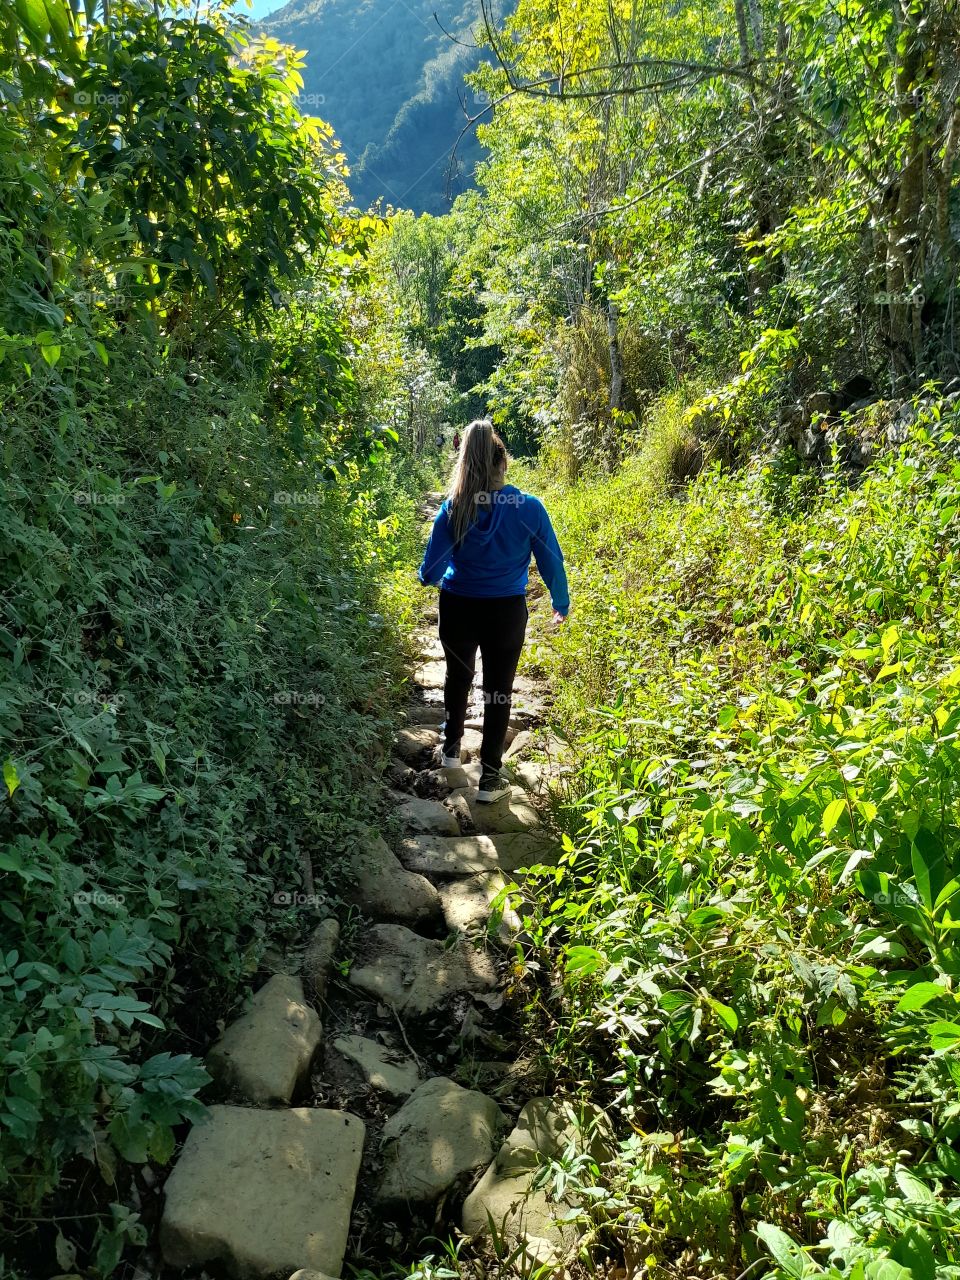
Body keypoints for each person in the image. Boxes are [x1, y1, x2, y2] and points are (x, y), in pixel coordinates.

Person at [417, 419, 569, 802]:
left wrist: (450, 557)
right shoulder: (529, 508)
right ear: (504, 463)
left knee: (457, 678)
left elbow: (429, 574)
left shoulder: (453, 509)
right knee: (498, 691)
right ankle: (490, 779)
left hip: (458, 607)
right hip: (506, 611)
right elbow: (552, 560)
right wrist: (560, 601)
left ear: (465, 463)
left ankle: (451, 750)